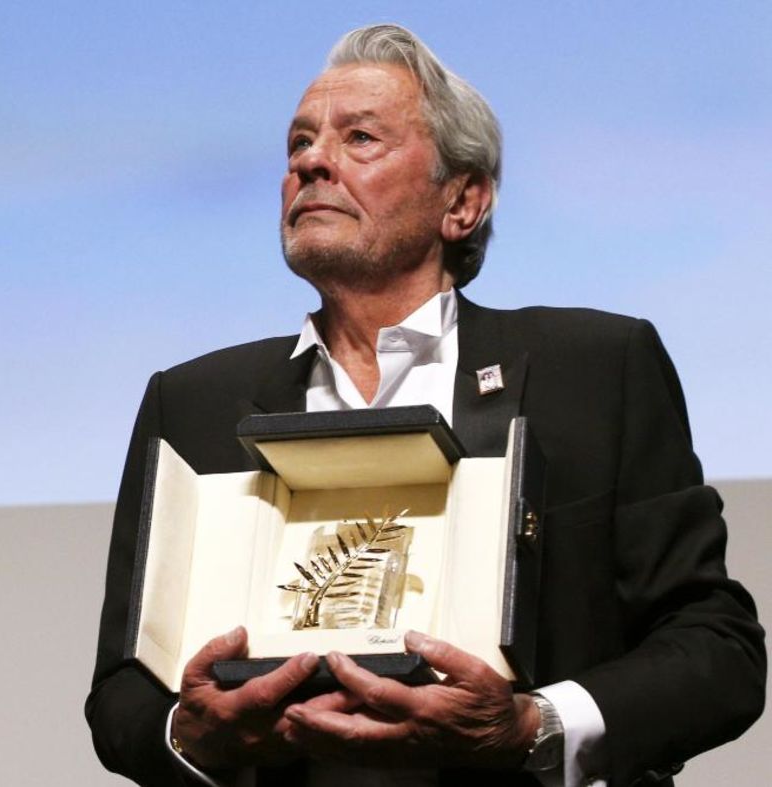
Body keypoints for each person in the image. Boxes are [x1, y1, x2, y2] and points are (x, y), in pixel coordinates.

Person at [86, 24, 765, 787]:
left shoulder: (597, 369)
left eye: (360, 137)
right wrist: (194, 732)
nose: (310, 161)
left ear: (463, 202)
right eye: (299, 142)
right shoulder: (191, 403)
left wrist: (531, 725)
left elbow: (717, 648)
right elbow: (122, 693)